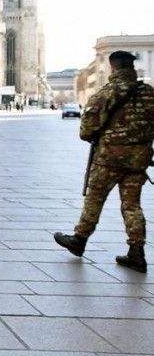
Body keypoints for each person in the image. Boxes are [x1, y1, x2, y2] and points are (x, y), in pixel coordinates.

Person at [55, 50, 154, 273]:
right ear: (132, 68)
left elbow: (86, 129)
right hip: (138, 161)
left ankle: (79, 240)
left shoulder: (106, 93)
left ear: (113, 68)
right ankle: (136, 253)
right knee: (132, 205)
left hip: (109, 159)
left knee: (95, 199)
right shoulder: (149, 93)